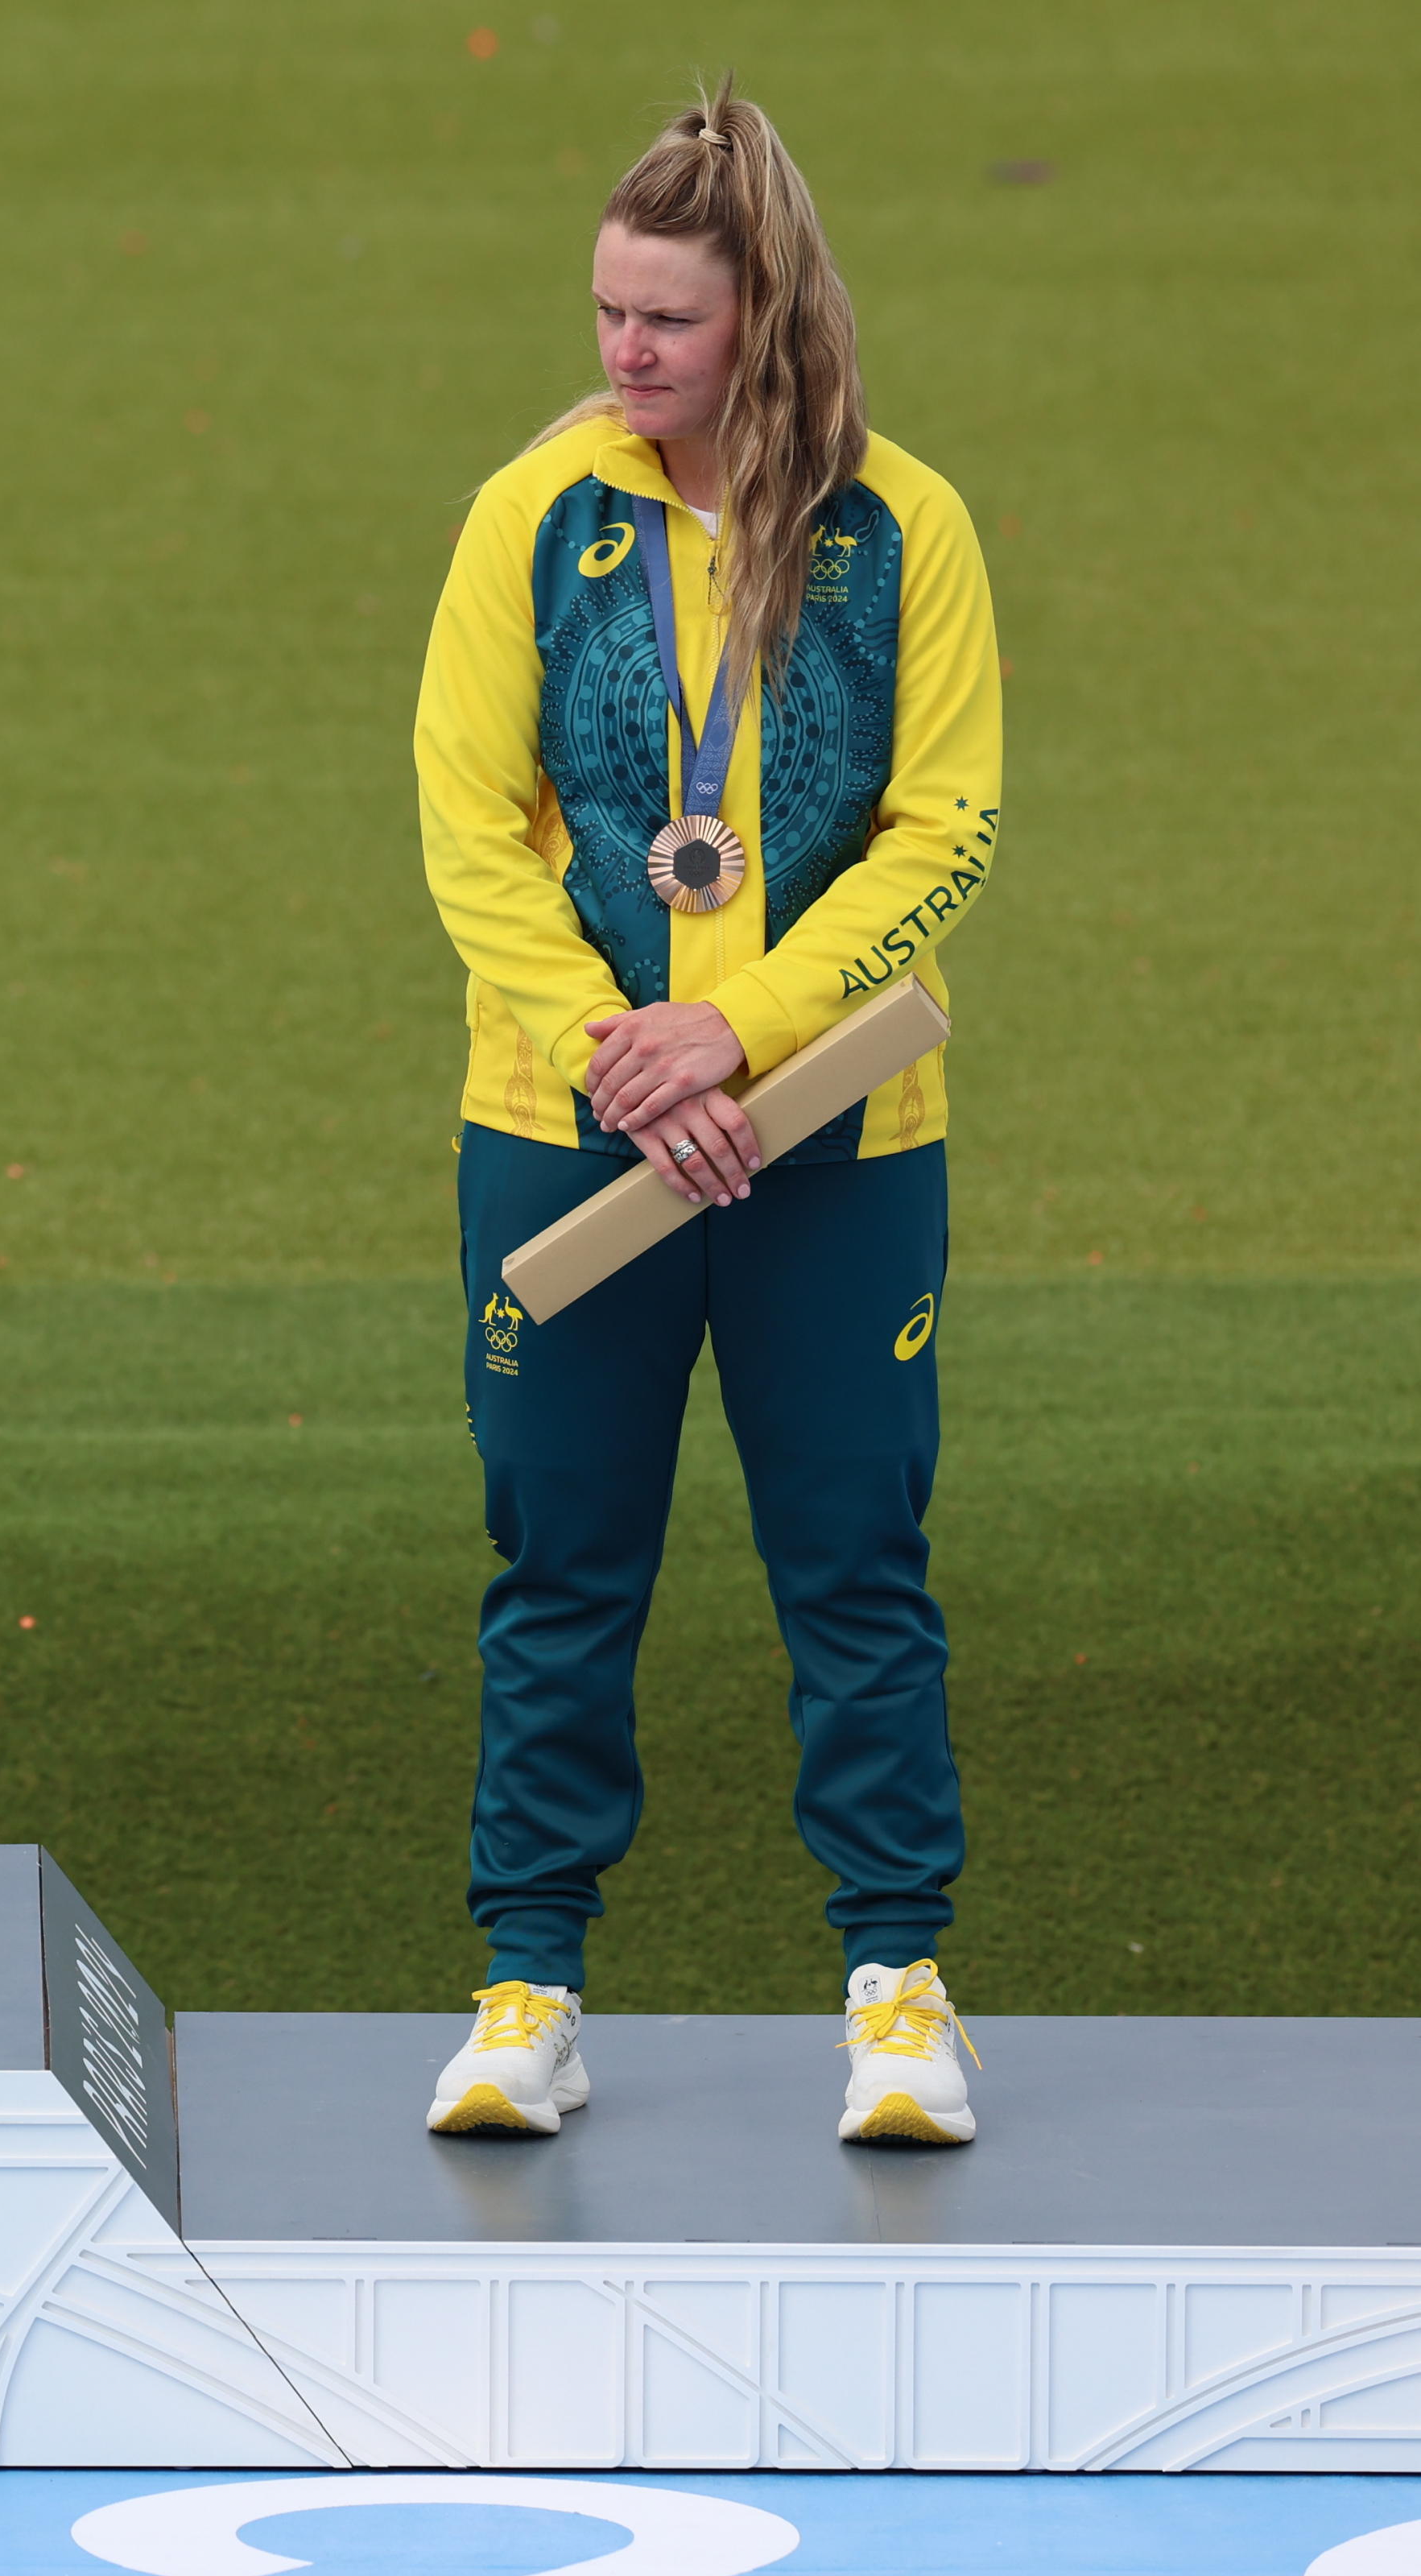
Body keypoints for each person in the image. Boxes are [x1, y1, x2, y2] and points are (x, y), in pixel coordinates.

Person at [408, 90, 1001, 2144]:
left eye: (664, 320)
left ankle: (897, 1988)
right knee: (558, 1558)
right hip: (569, 1123)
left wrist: (735, 1030)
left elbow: (947, 829)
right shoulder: (533, 515)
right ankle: (527, 1983)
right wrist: (613, 1049)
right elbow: (470, 826)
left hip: (838, 1132)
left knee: (853, 1557)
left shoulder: (903, 525)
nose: (622, 355)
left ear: (765, 316)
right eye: (604, 312)